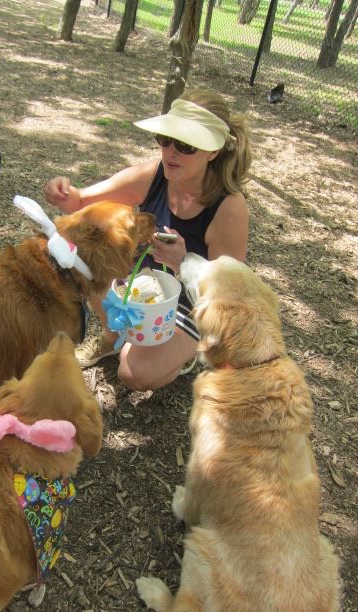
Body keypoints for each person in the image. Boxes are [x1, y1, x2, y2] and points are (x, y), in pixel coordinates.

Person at [44, 86, 252, 391]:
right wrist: (65, 193)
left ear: (213, 151)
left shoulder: (229, 207)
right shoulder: (156, 174)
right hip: (142, 282)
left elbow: (229, 296)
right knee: (82, 256)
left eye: (185, 145)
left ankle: (181, 353)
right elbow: (81, 201)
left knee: (133, 374)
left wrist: (185, 264)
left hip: (188, 302)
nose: (170, 152)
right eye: (164, 139)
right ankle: (113, 335)